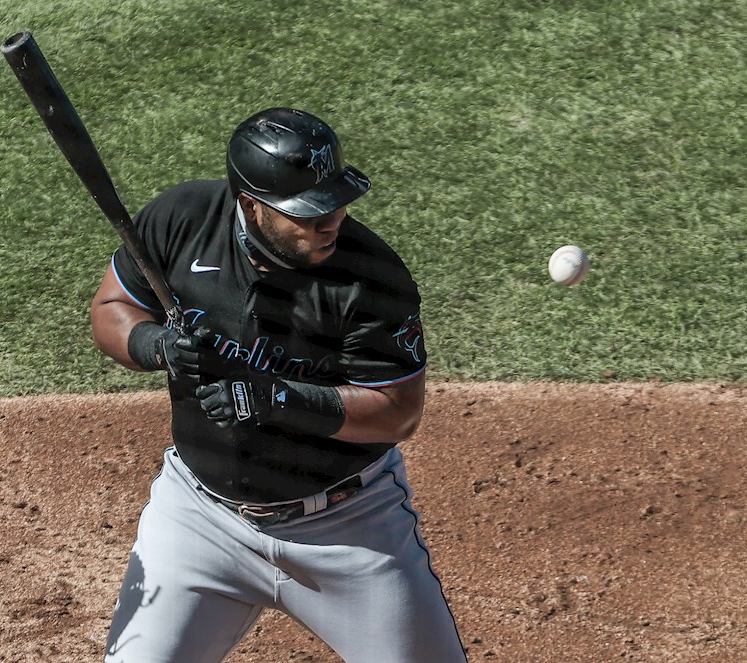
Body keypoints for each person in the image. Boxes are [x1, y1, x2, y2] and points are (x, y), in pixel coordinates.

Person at [91, 107, 467, 663]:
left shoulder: (371, 277)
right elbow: (113, 308)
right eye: (308, 213)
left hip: (348, 531)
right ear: (250, 204)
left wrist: (278, 399)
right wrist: (158, 347)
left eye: (335, 203)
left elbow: (397, 412)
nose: (330, 220)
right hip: (200, 519)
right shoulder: (183, 218)